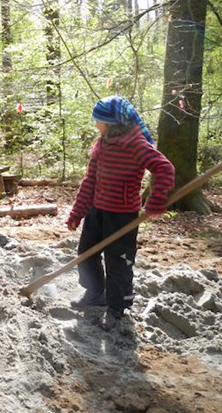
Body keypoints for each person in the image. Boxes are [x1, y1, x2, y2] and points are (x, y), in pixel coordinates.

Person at [66, 95, 175, 330]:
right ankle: (95, 293)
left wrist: (156, 201)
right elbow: (89, 181)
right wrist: (78, 211)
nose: (96, 125)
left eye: (99, 121)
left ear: (113, 123)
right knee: (86, 254)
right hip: (97, 212)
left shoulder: (136, 145)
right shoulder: (101, 144)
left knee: (119, 262)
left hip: (122, 215)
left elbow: (165, 168)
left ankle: (118, 308)